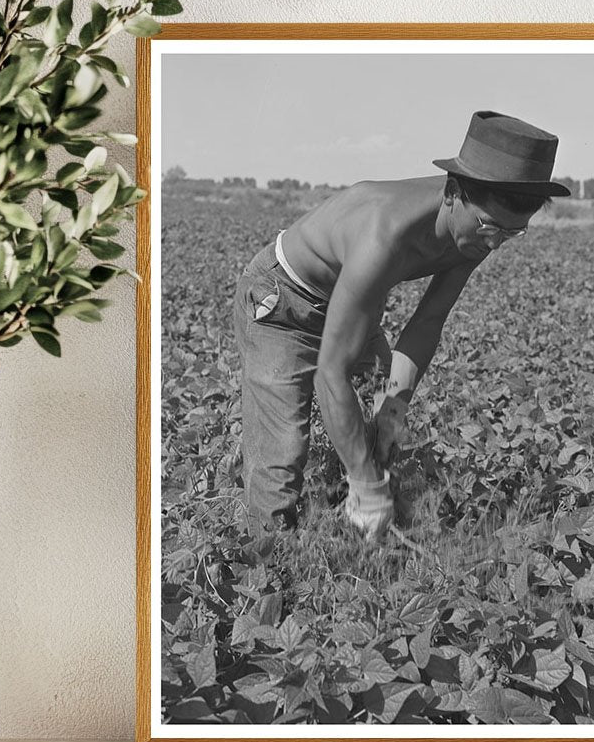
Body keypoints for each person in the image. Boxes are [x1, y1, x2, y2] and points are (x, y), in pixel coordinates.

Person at [233, 110, 571, 536]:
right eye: (489, 226)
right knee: (282, 452)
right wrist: (364, 482)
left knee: (382, 428)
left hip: (356, 305)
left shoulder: (480, 227)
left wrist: (394, 408)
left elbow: (428, 320)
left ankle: (355, 524)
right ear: (453, 192)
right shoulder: (384, 234)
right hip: (283, 305)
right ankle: (269, 561)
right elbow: (330, 372)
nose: (495, 242)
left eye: (512, 233)